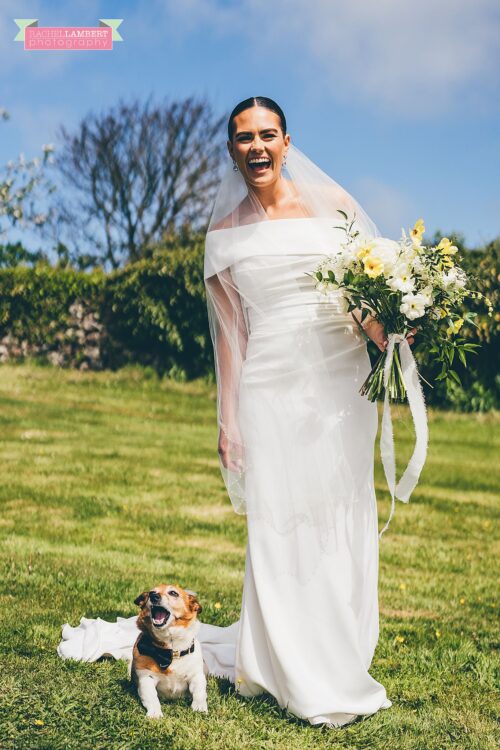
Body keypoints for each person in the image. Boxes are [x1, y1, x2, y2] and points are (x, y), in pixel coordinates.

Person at [58, 95, 416, 730]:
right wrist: (229, 422)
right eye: (245, 137)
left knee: (337, 511)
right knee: (278, 520)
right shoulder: (224, 236)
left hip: (339, 385)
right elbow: (232, 339)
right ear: (231, 150)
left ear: (287, 142)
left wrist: (390, 334)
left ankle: (336, 649)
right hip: (269, 385)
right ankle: (282, 663)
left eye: (268, 135)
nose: (257, 146)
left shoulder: (334, 207)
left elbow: (363, 298)